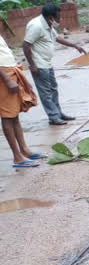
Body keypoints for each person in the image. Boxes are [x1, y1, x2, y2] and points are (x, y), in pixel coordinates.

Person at [23, 3, 86, 126]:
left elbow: (56, 38)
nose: (60, 19)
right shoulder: (36, 26)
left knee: (53, 89)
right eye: (58, 17)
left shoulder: (48, 24)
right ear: (50, 17)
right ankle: (53, 116)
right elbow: (26, 45)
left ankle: (58, 113)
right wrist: (32, 65)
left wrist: (74, 45)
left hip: (47, 63)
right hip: (39, 65)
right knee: (46, 93)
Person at [0, 33, 41, 168]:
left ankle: (24, 150)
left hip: (10, 71)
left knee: (14, 116)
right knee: (7, 116)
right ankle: (17, 157)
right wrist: (6, 79)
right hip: (4, 77)